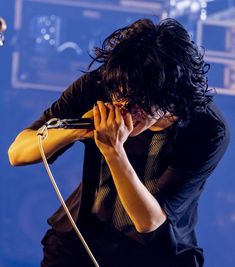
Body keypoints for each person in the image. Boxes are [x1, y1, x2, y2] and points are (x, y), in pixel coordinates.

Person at [8, 18, 229, 267]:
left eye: (139, 103)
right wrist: (75, 129)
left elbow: (148, 222)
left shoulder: (206, 127)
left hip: (156, 253)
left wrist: (114, 150)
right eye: (119, 97)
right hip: (81, 238)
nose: (125, 108)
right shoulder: (101, 84)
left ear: (171, 95)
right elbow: (17, 153)